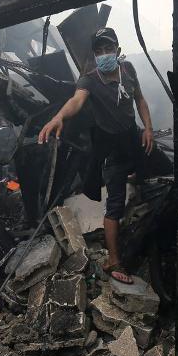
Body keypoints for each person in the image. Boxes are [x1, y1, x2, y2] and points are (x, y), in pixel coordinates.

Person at [38, 28, 154, 285]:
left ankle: (139, 199)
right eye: (99, 51)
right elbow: (76, 101)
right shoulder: (89, 80)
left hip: (132, 138)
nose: (104, 54)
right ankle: (113, 260)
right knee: (115, 204)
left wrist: (148, 128)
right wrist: (59, 117)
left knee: (149, 175)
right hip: (111, 147)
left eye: (108, 49)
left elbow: (140, 100)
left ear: (118, 50)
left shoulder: (128, 70)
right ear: (94, 55)